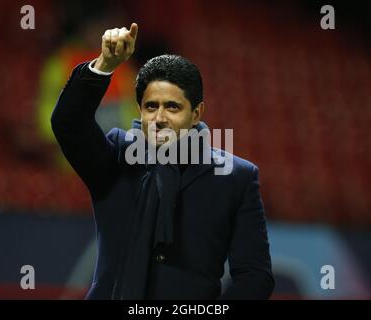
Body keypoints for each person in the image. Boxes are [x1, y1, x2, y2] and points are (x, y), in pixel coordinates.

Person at [51, 23, 274, 299]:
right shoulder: (116, 157)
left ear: (196, 113)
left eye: (172, 107)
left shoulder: (236, 177)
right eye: (151, 106)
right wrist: (104, 65)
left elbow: (254, 276)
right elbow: (68, 124)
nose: (159, 119)